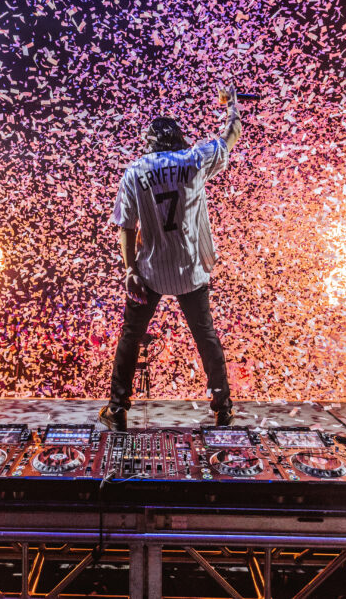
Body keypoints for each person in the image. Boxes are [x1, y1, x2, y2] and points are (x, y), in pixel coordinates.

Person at [99, 87, 243, 432]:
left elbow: (125, 224)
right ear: (178, 138)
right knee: (205, 336)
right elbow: (232, 134)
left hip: (150, 270)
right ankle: (222, 408)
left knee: (131, 336)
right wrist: (233, 104)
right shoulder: (194, 159)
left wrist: (130, 269)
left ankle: (118, 409)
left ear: (150, 141)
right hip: (191, 269)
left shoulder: (135, 171)